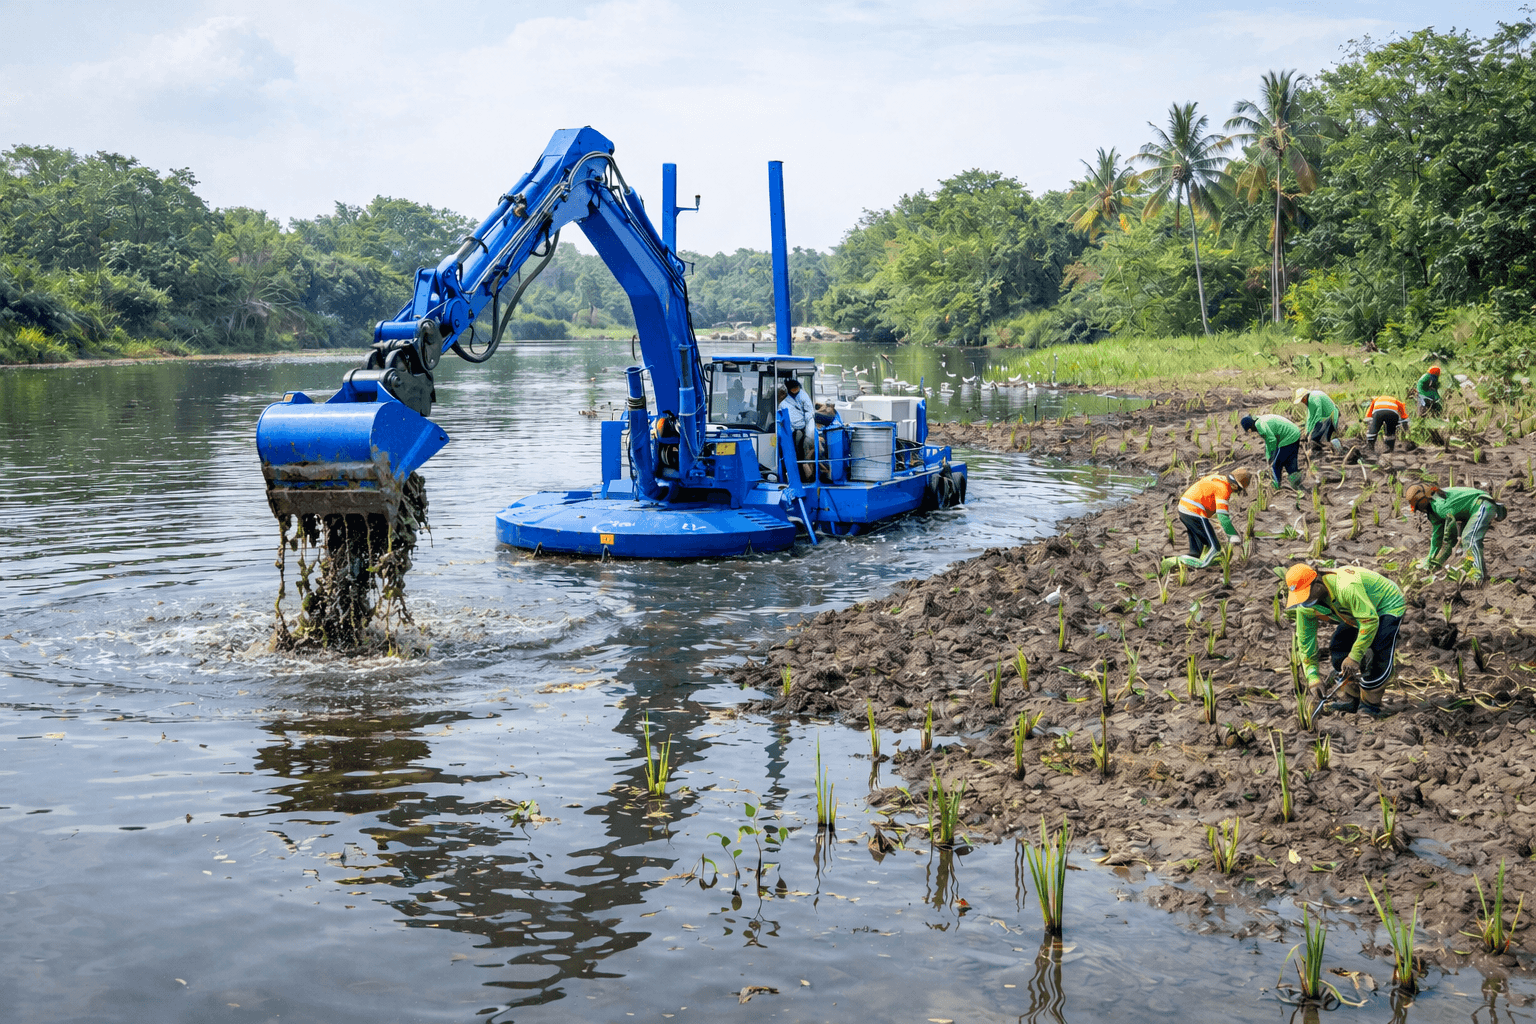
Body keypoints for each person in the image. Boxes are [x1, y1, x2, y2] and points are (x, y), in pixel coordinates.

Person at [1285, 563, 1405, 717]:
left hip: (1386, 604)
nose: (1305, 600)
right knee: (1339, 649)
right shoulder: (1306, 606)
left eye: (1307, 593)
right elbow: (1305, 642)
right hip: (1355, 612)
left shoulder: (1346, 587)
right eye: (1301, 597)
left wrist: (1354, 657)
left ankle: (1370, 706)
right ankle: (1354, 698)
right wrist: (1313, 678)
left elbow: (1369, 621)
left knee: (1378, 656)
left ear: (1318, 582)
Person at [1406, 483, 1507, 581]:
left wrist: (1445, 552)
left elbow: (1451, 533)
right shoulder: (1433, 510)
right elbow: (1436, 538)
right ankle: (1480, 572)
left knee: (1469, 538)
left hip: (1482, 504)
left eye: (1418, 507)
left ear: (1423, 500)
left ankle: (1477, 577)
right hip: (1469, 510)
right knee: (1466, 543)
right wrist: (1430, 560)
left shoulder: (1439, 506)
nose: (1419, 510)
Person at [1175, 468, 1251, 568]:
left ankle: (1186, 562)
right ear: (1234, 486)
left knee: (1197, 548)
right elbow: (1222, 516)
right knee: (1214, 547)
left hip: (1184, 507)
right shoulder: (1224, 489)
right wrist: (1232, 535)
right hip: (1193, 510)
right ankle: (1202, 566)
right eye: (1239, 490)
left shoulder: (1220, 479)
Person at [1241, 413, 1303, 489]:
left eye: (1249, 430)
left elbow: (1271, 440)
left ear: (1250, 427)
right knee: (1290, 461)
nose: (1252, 432)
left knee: (1276, 465)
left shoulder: (1260, 425)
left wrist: (1271, 457)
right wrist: (1268, 456)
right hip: (1295, 433)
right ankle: (1298, 486)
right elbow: (1269, 441)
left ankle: (1276, 486)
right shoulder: (1260, 419)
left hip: (1288, 438)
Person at [778, 376, 816, 482]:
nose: (795, 391)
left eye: (796, 389)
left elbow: (809, 412)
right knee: (797, 454)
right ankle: (803, 476)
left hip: (802, 429)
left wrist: (809, 427)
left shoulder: (803, 395)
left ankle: (806, 476)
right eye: (793, 389)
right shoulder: (784, 401)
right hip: (791, 430)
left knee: (801, 453)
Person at [1293, 388, 1342, 454]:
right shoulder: (1310, 400)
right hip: (1325, 418)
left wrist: (1311, 433)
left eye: (1302, 400)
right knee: (1318, 438)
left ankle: (1336, 448)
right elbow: (1310, 418)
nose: (1302, 402)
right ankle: (1327, 452)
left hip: (1330, 417)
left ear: (1305, 396)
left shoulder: (1313, 397)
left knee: (1316, 438)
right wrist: (1307, 431)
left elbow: (1318, 414)